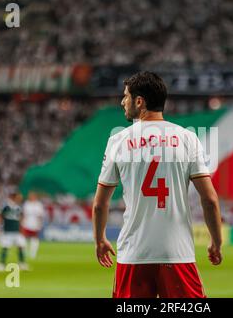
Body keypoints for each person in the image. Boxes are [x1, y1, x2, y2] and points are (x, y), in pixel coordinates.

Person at [92, 71, 223, 298]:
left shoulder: (118, 141)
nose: (123, 102)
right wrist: (216, 241)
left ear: (139, 101)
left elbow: (99, 205)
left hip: (134, 254)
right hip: (177, 254)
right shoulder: (188, 138)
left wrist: (100, 239)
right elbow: (209, 199)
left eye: (126, 96)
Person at [0, 192, 29, 271]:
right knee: (5, 247)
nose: (20, 199)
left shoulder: (18, 208)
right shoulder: (5, 207)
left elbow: (21, 218)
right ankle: (1, 264)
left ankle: (22, 263)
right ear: (14, 198)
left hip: (17, 231)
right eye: (18, 197)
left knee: (21, 246)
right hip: (7, 231)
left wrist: (22, 229)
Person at [22, 192, 45, 259]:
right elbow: (23, 214)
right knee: (24, 238)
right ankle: (24, 252)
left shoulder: (38, 205)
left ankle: (33, 253)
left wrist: (39, 224)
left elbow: (40, 215)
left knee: (34, 239)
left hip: (35, 224)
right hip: (26, 224)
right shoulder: (26, 204)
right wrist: (22, 222)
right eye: (30, 196)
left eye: (32, 196)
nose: (31, 197)